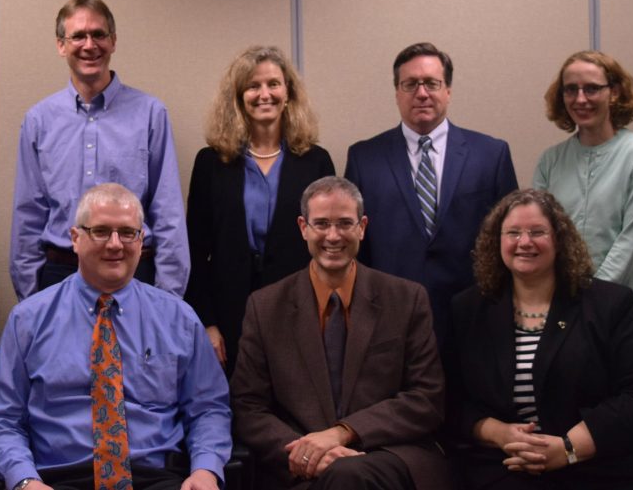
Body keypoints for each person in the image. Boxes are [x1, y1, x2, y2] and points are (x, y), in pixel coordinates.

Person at [0, 183, 230, 490]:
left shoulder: (179, 319)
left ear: (141, 241)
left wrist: (206, 470)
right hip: (58, 480)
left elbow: (208, 409)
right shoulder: (28, 321)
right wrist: (23, 479)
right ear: (75, 238)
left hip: (155, 478)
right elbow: (1, 420)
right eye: (100, 231)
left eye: (127, 233)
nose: (115, 244)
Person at [232, 176, 450, 490]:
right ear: (303, 227)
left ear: (362, 226)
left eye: (344, 223)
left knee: (349, 475)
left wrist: (342, 433)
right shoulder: (265, 307)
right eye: (321, 223)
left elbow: (426, 399)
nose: (333, 236)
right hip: (301, 464)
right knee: (343, 477)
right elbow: (248, 407)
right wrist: (308, 452)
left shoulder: (406, 299)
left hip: (389, 454)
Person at [448, 189, 633, 489]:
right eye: (513, 233)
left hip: (597, 466)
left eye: (537, 232)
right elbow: (451, 399)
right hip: (504, 465)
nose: (524, 242)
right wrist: (499, 433)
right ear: (496, 242)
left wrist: (568, 448)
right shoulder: (467, 309)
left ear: (559, 240)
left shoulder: (611, 304)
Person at [10, 0, 189, 301]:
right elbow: (28, 215)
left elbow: (167, 210)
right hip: (60, 274)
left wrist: (168, 298)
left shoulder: (150, 114)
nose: (89, 45)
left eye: (98, 34)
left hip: (134, 272)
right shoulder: (39, 120)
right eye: (78, 36)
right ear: (61, 45)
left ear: (114, 41)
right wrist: (32, 300)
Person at [344, 42, 517, 344]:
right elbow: (357, 245)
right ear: (397, 92)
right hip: (390, 319)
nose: (421, 93)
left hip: (474, 317)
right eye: (410, 84)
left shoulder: (491, 155)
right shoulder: (364, 158)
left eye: (431, 84)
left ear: (448, 90)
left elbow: (509, 237)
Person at [185, 45, 334, 374]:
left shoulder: (316, 161)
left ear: (288, 93)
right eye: (252, 86)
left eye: (273, 84)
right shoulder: (210, 163)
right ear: (238, 97)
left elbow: (329, 248)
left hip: (299, 310)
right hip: (229, 315)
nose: (264, 94)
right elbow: (195, 251)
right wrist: (206, 323)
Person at [533, 51, 633, 311]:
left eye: (591, 88)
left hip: (618, 308)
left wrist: (591, 298)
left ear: (613, 92)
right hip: (560, 305)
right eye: (571, 90)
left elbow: (630, 242)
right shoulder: (550, 160)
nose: (580, 99)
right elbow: (539, 233)